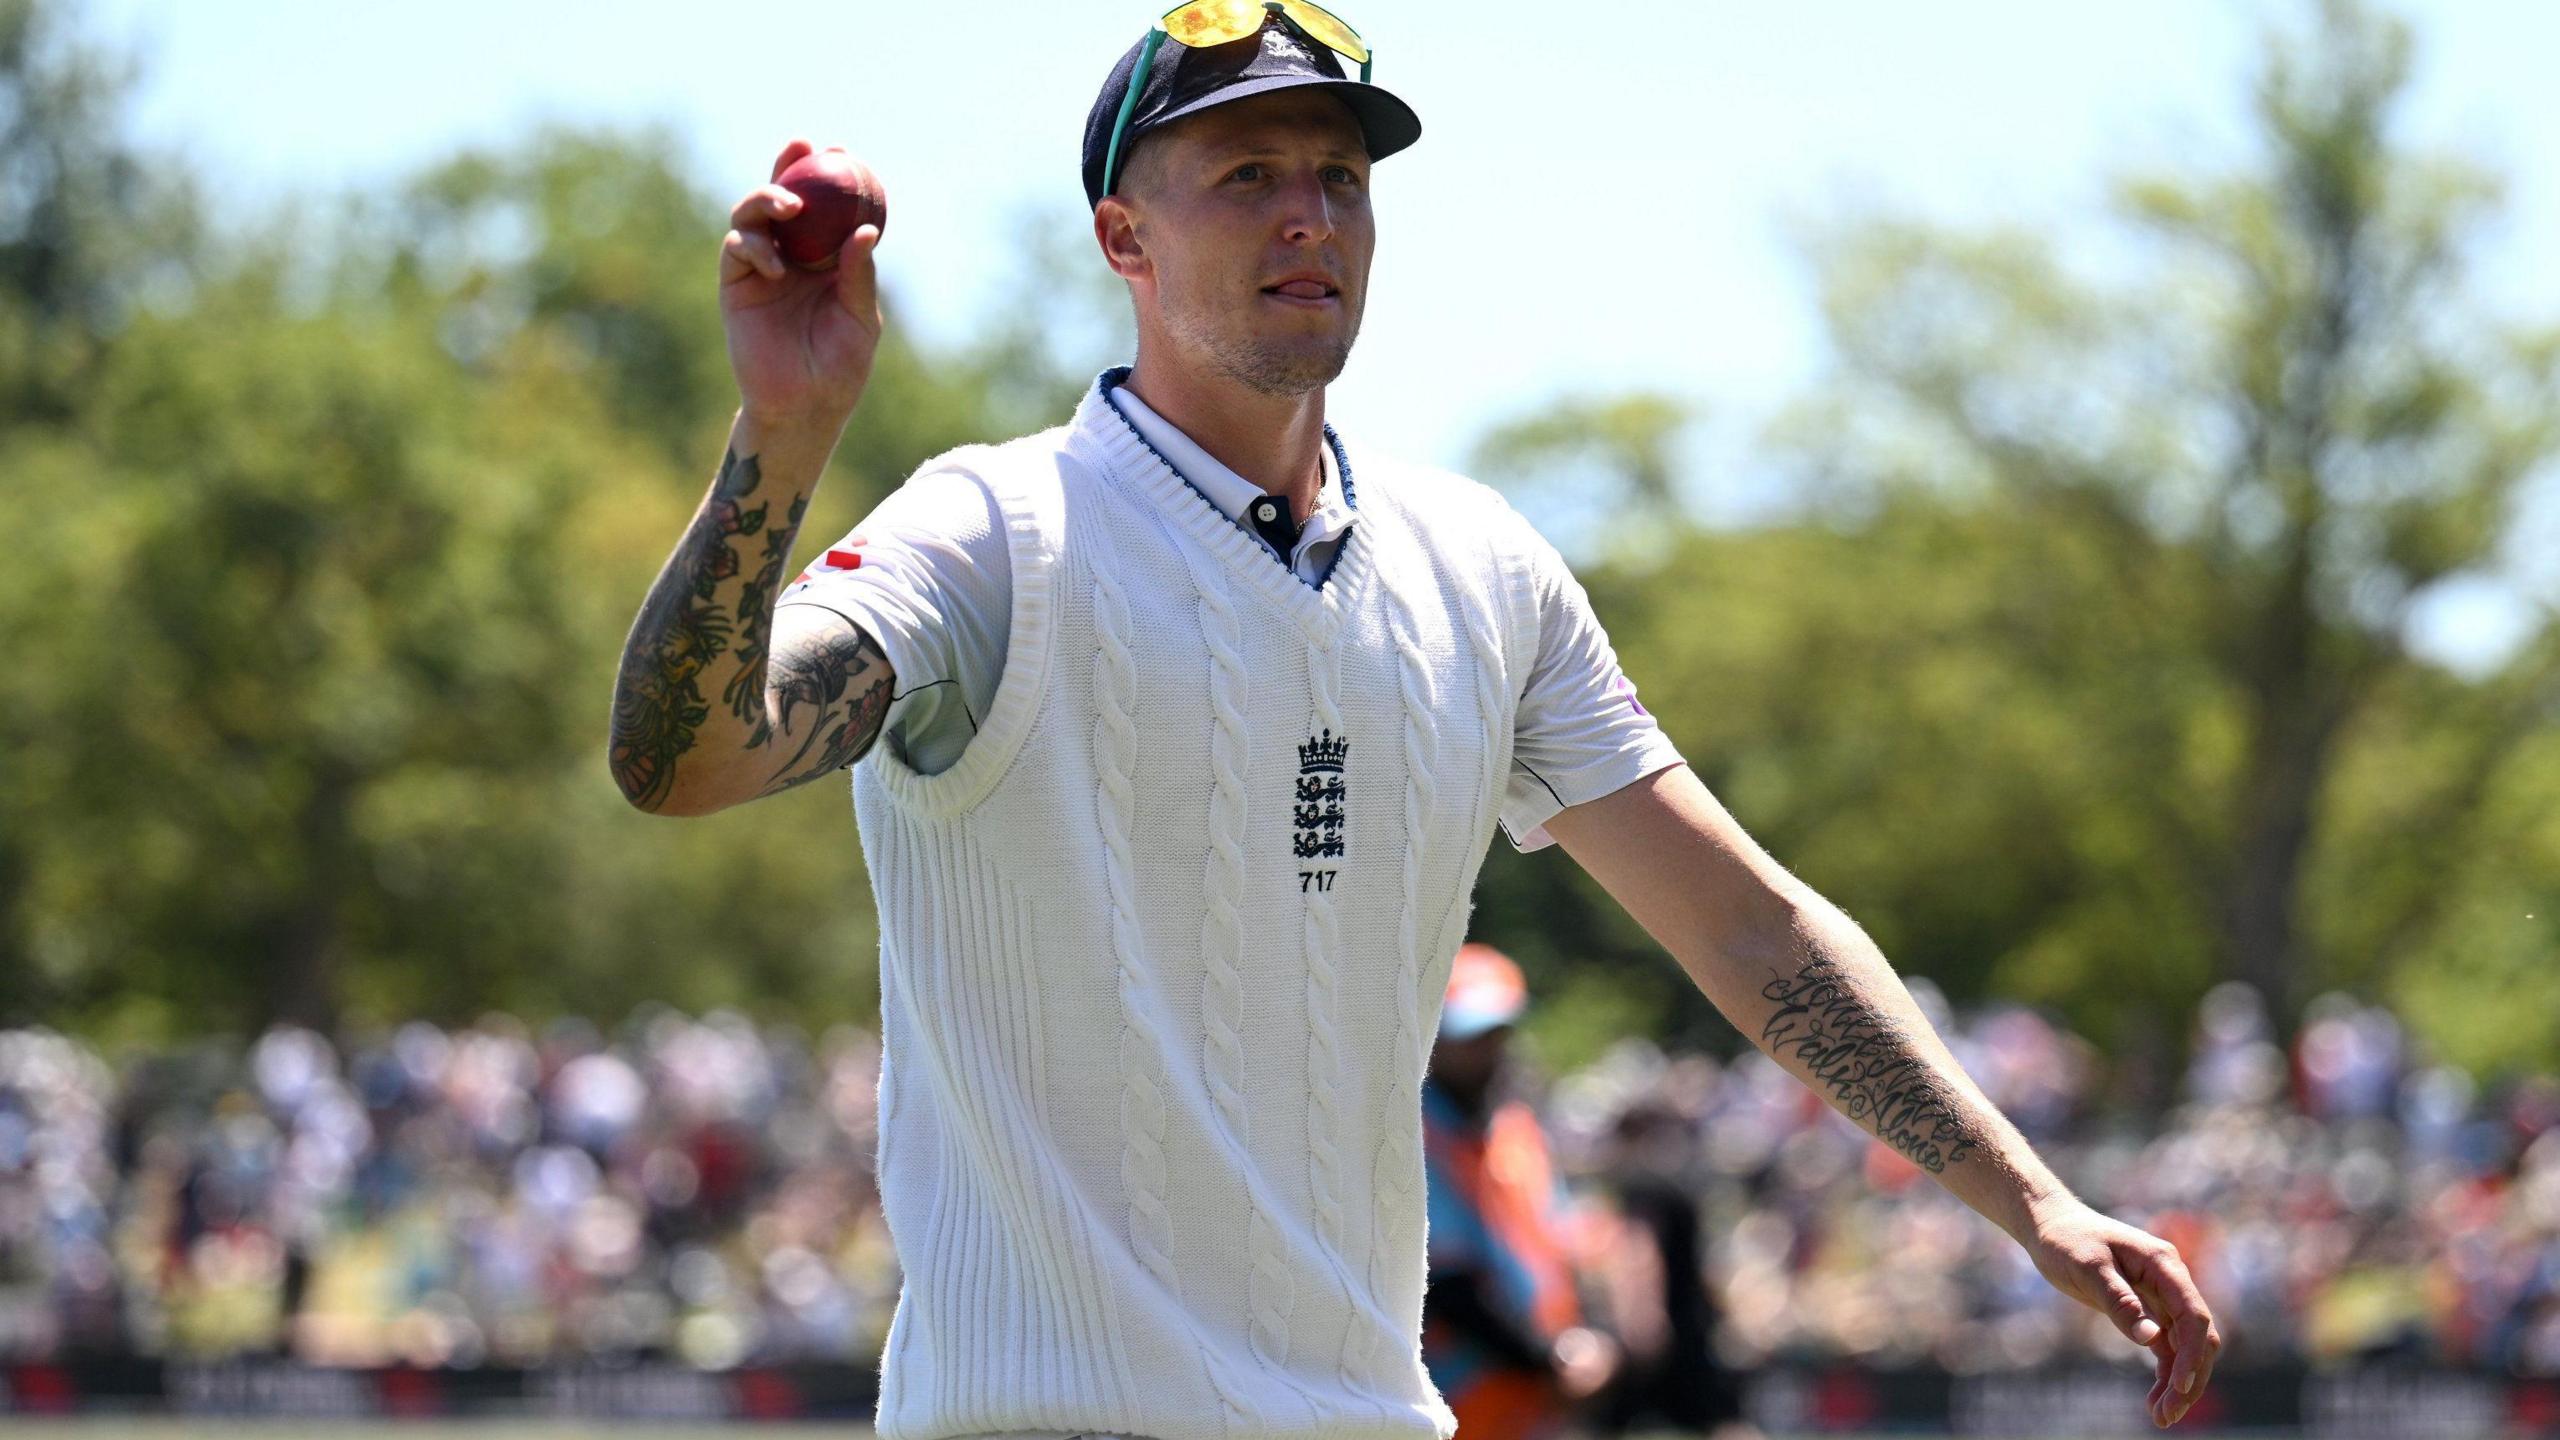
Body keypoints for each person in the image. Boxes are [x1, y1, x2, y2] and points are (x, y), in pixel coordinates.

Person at [606, 5, 2223, 1439]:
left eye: (1341, 177)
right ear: (1123, 239)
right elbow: (686, 760)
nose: (1309, 213)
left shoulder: (1485, 574)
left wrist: (2034, 1203)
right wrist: (783, 436)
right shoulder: (994, 535)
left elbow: (1747, 929)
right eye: (1244, 174)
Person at [1419, 944, 1621, 1440]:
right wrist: (1551, 1360)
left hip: (1534, 1394)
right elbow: (1447, 1284)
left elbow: (1565, 1241)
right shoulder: (1415, 1136)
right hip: (1459, 1397)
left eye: (1496, 1032)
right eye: (1469, 1035)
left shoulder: (1514, 1126)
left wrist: (1591, 1339)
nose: (1486, 1048)